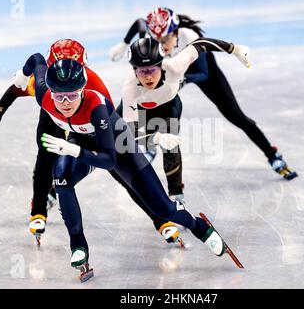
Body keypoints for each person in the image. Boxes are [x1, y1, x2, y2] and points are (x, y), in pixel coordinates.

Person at [12, 55, 232, 281]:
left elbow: (110, 161)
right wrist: (21, 77)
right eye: (59, 96)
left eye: (72, 95)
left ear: (82, 90)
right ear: (49, 91)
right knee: (61, 177)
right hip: (82, 142)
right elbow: (37, 60)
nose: (65, 102)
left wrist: (73, 150)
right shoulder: (43, 95)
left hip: (119, 146)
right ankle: (78, 244)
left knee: (164, 209)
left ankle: (200, 227)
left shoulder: (96, 106)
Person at [0, 39, 180, 247]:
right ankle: (38, 209)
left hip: (88, 122)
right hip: (57, 115)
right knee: (46, 156)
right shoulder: (47, 85)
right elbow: (15, 90)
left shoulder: (95, 87)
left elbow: (116, 129)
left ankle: (160, 219)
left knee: (119, 171)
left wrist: (148, 138)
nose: (65, 83)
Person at [109, 7, 297, 180]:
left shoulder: (188, 36)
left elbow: (203, 73)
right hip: (167, 73)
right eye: (157, 40)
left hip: (201, 73)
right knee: (136, 100)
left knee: (236, 116)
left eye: (165, 40)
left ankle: (272, 154)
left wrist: (180, 80)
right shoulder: (152, 35)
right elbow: (139, 23)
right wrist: (123, 44)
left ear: (175, 32)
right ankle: (150, 144)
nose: (161, 45)